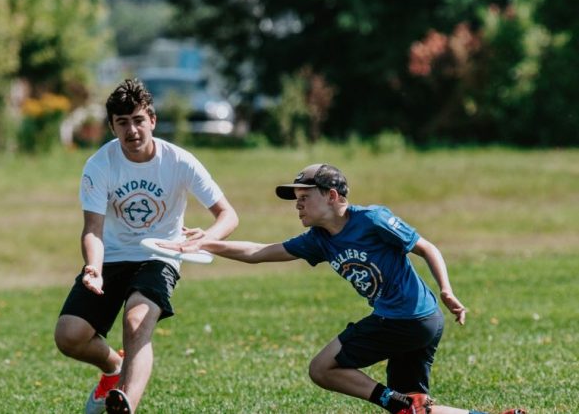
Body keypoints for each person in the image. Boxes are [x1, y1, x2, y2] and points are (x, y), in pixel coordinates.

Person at [164, 163, 525, 414]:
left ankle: (393, 400)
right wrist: (207, 243)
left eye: (305, 195)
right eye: (296, 197)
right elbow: (260, 252)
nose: (298, 203)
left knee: (321, 369)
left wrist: (446, 289)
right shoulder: (318, 240)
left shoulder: (373, 219)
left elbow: (426, 247)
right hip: (415, 323)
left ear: (333, 196)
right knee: (415, 406)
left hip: (408, 320)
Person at [54, 79, 239, 414]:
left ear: (152, 120)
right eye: (122, 123)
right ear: (112, 127)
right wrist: (93, 268)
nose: (132, 130)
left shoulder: (180, 161)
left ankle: (125, 404)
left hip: (161, 255)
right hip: (111, 257)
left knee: (136, 321)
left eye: (138, 120)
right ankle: (114, 367)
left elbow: (227, 215)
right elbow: (92, 230)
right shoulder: (100, 164)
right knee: (69, 336)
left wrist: (207, 238)